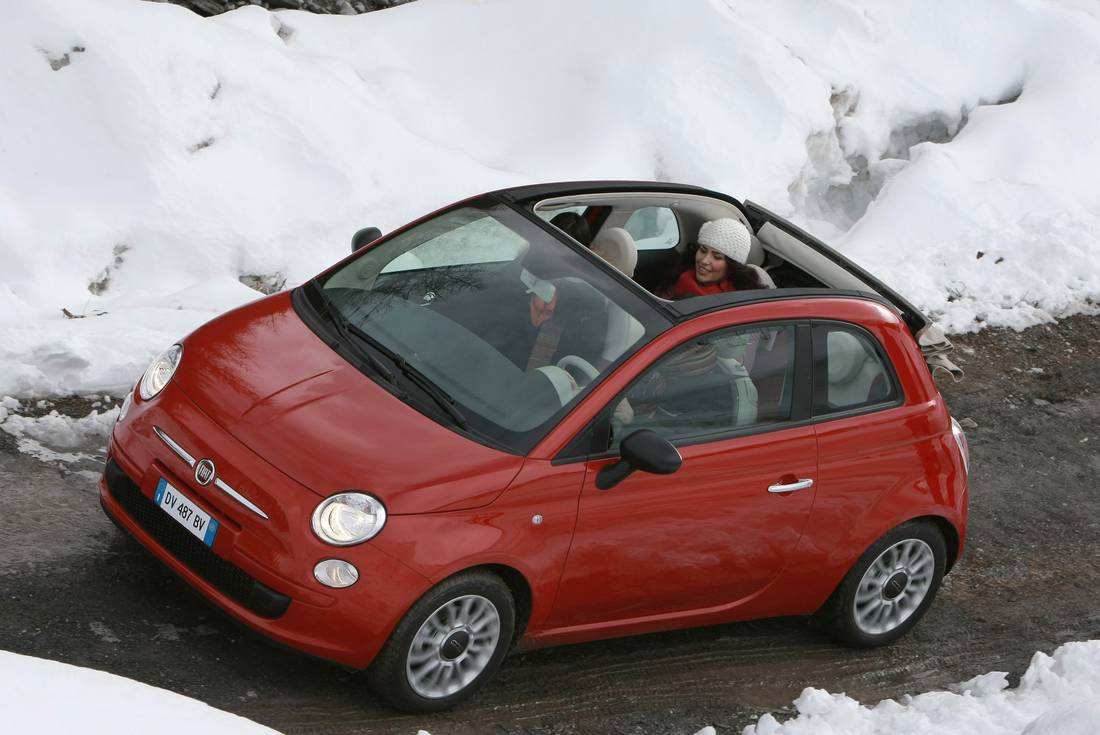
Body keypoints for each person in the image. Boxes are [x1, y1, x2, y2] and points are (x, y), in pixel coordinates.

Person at [658, 218, 769, 299]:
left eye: (716, 257)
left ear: (732, 265)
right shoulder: (679, 274)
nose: (704, 261)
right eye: (703, 250)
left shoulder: (736, 302)